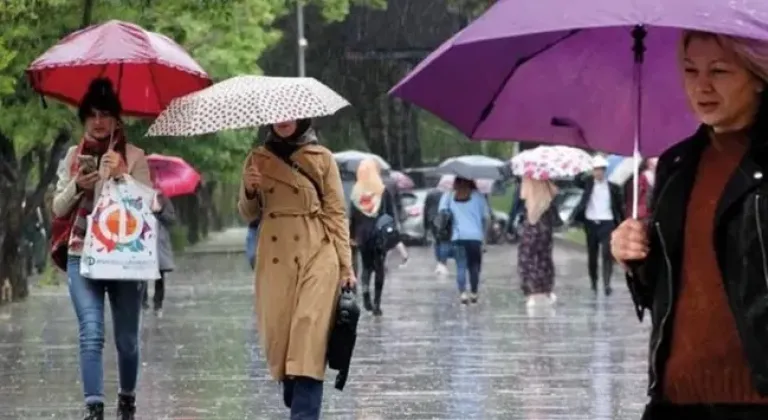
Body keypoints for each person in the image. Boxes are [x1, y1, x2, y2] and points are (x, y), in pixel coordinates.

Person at [611, 30, 768, 419]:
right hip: (677, 398)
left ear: (758, 75)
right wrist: (635, 253)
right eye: (689, 70)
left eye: (719, 71)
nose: (702, 86)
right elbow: (668, 288)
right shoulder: (676, 164)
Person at [238, 118, 355, 419]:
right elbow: (249, 213)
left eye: (289, 115)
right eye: (276, 116)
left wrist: (345, 266)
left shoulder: (322, 158)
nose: (283, 122)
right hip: (276, 257)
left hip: (318, 252)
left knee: (309, 340)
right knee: (283, 343)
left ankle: (304, 407)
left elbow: (336, 214)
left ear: (302, 117)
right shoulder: (256, 158)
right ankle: (296, 388)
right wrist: (250, 191)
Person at [50, 78, 150, 420]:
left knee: (127, 340)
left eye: (105, 113)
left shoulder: (134, 156)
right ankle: (93, 407)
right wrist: (78, 185)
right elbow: (57, 210)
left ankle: (127, 398)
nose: (98, 121)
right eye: (91, 114)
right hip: (82, 256)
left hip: (125, 260)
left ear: (117, 120)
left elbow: (152, 207)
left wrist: (123, 176)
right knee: (91, 332)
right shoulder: (72, 157)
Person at [349, 158, 397, 316]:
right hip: (379, 235)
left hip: (362, 236)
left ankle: (365, 295)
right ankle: (377, 303)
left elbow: (352, 217)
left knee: (366, 267)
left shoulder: (356, 192)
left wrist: (351, 235)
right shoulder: (382, 191)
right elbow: (390, 215)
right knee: (379, 267)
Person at [573, 155, 624, 295]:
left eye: (601, 169)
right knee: (592, 254)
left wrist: (621, 222)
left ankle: (607, 283)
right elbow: (575, 181)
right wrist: (582, 169)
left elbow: (620, 206)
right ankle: (594, 282)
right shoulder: (588, 183)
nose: (598, 172)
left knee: (607, 253)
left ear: (605, 171)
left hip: (607, 222)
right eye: (596, 169)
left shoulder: (613, 187)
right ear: (592, 171)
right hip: (591, 222)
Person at [439, 177, 489, 304]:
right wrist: (484, 238)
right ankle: (474, 293)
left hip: (458, 237)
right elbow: (486, 217)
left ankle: (462, 294)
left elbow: (442, 212)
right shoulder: (479, 197)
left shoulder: (450, 195)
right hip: (475, 237)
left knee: (460, 266)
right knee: (474, 267)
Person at [517, 176, 559, 307]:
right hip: (544, 225)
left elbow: (522, 198)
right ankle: (545, 289)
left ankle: (532, 292)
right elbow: (553, 195)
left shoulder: (528, 180)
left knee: (529, 258)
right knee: (543, 258)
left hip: (532, 224)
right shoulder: (547, 183)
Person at [142, 180, 176, 317]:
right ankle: (143, 302)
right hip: (143, 240)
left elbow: (171, 219)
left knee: (160, 275)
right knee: (142, 273)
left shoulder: (165, 200)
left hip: (159, 243)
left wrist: (160, 210)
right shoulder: (140, 198)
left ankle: (158, 304)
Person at [425, 188, 452, 275]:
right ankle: (442, 264)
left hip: (432, 219)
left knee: (437, 241)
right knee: (444, 241)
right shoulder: (448, 194)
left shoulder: (430, 194)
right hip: (443, 219)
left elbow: (425, 209)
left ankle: (439, 263)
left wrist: (425, 225)